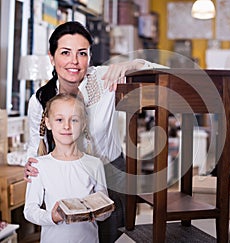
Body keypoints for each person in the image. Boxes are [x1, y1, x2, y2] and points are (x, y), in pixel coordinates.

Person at [23, 21, 166, 242]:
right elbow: (36, 143)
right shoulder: (40, 99)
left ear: (90, 56)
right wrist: (31, 165)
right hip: (67, 179)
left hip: (111, 176)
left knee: (111, 237)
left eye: (82, 53)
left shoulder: (103, 78)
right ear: (52, 57)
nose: (74, 61)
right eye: (65, 52)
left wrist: (131, 65)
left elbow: (166, 75)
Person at [24, 93, 110, 243]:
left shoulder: (95, 164)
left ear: (83, 124)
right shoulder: (39, 165)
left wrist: (100, 212)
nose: (66, 126)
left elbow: (105, 211)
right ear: (48, 123)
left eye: (74, 120)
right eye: (59, 119)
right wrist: (51, 216)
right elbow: (30, 210)